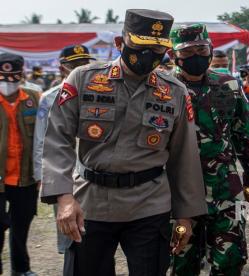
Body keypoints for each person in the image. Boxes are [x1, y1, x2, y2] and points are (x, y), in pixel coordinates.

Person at [40, 9, 207, 276]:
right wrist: (64, 197)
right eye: (141, 47)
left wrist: (185, 217)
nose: (149, 55)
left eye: (157, 49)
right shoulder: (84, 79)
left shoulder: (174, 92)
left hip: (149, 204)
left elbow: (183, 156)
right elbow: (57, 139)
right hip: (90, 203)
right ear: (120, 43)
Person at [170, 23, 249, 276]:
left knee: (230, 260)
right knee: (182, 262)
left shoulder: (228, 84)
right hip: (179, 194)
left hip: (225, 190)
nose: (195, 56)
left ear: (210, 50)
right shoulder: (165, 88)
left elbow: (244, 135)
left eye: (201, 48)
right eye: (187, 52)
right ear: (173, 55)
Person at [33, 44, 95, 254]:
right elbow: (42, 139)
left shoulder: (102, 93)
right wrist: (41, 175)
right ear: (62, 68)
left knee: (96, 233)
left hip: (92, 172)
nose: (81, 69)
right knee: (70, 235)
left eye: (85, 63)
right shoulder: (50, 97)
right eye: (76, 65)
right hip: (64, 172)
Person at [0, 53, 40, 276]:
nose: (8, 84)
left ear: (21, 76)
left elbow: (43, 138)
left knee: (21, 225)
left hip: (25, 176)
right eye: (3, 79)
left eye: (12, 78)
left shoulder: (34, 98)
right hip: (0, 177)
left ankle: (21, 268)